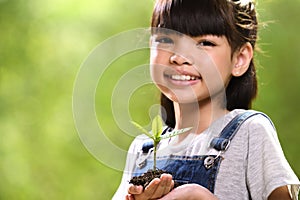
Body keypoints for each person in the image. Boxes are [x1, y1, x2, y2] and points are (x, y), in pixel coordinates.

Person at [113, 0, 300, 199]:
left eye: (204, 43)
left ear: (239, 59)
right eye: (166, 40)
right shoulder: (143, 151)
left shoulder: (249, 132)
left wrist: (198, 196)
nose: (179, 57)